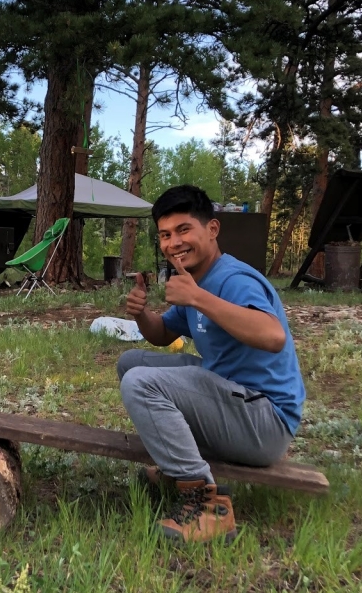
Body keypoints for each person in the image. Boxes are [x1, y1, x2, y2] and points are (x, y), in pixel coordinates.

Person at [119, 184, 305, 544]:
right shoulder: (197, 281)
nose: (174, 243)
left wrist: (199, 298)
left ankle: (205, 505)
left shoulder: (233, 279)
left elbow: (273, 335)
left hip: (266, 422)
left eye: (184, 230)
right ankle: (178, 465)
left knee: (141, 383)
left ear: (212, 230)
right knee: (132, 363)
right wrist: (142, 314)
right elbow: (160, 334)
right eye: (165, 235)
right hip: (233, 399)